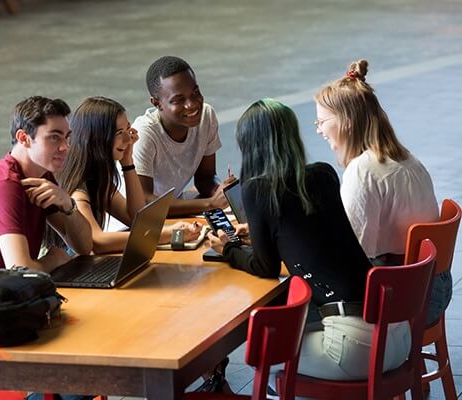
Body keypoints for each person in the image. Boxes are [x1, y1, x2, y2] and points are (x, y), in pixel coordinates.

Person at [208, 99, 411, 380]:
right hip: (398, 335)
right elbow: (308, 233)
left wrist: (228, 248)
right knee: (297, 332)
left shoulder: (258, 189)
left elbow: (264, 267)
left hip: (357, 346)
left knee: (265, 351)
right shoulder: (324, 175)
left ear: (250, 145)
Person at [315, 59, 445, 325]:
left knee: (303, 300)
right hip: (435, 287)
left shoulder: (363, 171)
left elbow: (354, 254)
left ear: (347, 122)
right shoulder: (408, 158)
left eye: (322, 122)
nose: (319, 130)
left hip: (403, 299)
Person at [0, 96, 93, 276]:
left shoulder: (41, 175)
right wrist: (54, 259)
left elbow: (84, 246)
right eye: (54, 137)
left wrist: (68, 204)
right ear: (23, 138)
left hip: (11, 291)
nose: (65, 147)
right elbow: (21, 271)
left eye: (66, 138)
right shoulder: (4, 187)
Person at [45, 96, 202, 254]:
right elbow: (97, 242)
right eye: (119, 132)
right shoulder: (77, 187)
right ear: (97, 138)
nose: (128, 139)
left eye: (128, 129)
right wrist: (168, 234)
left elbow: (135, 218)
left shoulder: (97, 175)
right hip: (68, 271)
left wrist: (128, 162)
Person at [132, 56, 233, 216]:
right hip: (131, 225)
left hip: (171, 211)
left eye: (195, 93)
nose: (191, 104)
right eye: (178, 100)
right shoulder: (145, 134)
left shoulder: (206, 115)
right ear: (157, 103)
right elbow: (143, 202)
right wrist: (210, 203)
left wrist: (219, 190)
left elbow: (205, 178)